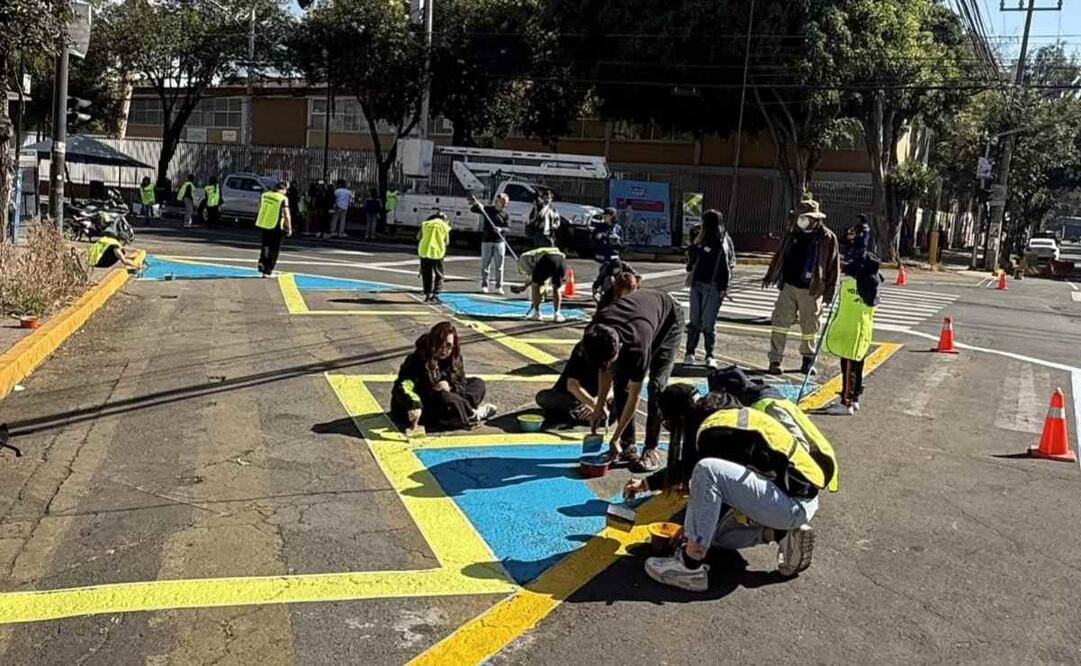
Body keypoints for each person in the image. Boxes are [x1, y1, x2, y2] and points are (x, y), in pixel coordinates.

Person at [624, 384, 837, 591]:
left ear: (681, 417)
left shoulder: (714, 432)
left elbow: (700, 474)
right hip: (795, 500)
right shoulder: (727, 415)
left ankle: (690, 566)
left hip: (789, 504)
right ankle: (781, 535)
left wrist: (691, 536)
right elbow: (697, 475)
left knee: (706, 471)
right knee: (715, 536)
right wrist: (647, 485)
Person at [581, 289, 683, 472]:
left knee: (656, 387)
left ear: (619, 347)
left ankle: (651, 448)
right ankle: (628, 446)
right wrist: (599, 407)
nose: (608, 366)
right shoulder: (595, 331)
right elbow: (604, 369)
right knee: (620, 382)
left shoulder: (637, 344)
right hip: (646, 313)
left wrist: (615, 436)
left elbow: (634, 395)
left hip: (670, 320)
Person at [762, 197, 839, 376]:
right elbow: (780, 255)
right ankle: (775, 360)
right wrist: (770, 275)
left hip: (812, 289)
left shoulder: (827, 238)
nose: (800, 220)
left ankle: (808, 361)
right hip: (789, 285)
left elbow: (833, 266)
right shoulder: (792, 234)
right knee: (780, 323)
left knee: (810, 327)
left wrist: (829, 292)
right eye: (799, 216)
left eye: (804, 217)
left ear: (815, 219)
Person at [821, 219, 882, 415]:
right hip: (862, 328)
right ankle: (853, 397)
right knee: (857, 363)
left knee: (848, 365)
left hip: (851, 327)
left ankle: (846, 402)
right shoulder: (873, 283)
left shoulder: (855, 282)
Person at [391, 321, 498, 432]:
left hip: (448, 396)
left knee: (477, 384)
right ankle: (472, 415)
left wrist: (450, 387)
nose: (444, 350)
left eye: (448, 346)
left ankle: (464, 411)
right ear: (433, 343)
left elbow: (461, 383)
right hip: (424, 402)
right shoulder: (417, 359)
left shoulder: (455, 359)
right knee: (446, 399)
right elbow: (404, 386)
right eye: (440, 345)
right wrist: (414, 404)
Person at [684, 209, 736, 368]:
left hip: (713, 287)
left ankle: (710, 354)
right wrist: (695, 244)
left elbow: (728, 265)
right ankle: (690, 352)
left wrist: (723, 288)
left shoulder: (724, 241)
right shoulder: (700, 238)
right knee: (694, 320)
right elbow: (690, 263)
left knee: (708, 322)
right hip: (697, 284)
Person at [535, 341, 610, 425]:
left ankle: (583, 415)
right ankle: (584, 415)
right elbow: (572, 385)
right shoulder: (582, 349)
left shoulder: (614, 352)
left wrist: (599, 402)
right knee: (543, 397)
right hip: (576, 397)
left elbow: (614, 386)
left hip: (601, 399)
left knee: (616, 406)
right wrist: (592, 403)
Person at [513, 246, 567, 322]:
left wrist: (524, 288)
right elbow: (543, 279)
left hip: (546, 259)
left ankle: (537, 313)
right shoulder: (534, 253)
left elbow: (533, 279)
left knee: (535, 286)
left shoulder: (523, 259)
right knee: (556, 287)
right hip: (561, 260)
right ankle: (557, 314)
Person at [472, 193, 510, 294]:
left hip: (499, 242)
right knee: (485, 264)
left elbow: (508, 228)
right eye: (503, 202)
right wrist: (477, 205)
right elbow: (474, 209)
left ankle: (499, 286)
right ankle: (485, 285)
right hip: (487, 241)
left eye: (506, 203)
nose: (504, 205)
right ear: (498, 201)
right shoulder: (488, 210)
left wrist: (501, 229)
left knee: (499, 266)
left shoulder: (505, 214)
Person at [255, 180, 292, 277]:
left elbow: (259, 207)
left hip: (264, 222)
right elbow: (286, 214)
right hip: (276, 225)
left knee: (265, 245)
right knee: (275, 248)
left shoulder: (265, 195)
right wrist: (289, 227)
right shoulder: (283, 199)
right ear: (283, 189)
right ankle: (268, 269)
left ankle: (262, 263)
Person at [591, 207, 625, 300]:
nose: (605, 217)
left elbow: (622, 243)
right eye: (604, 216)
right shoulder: (600, 227)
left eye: (607, 216)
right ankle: (596, 289)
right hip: (602, 253)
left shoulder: (617, 228)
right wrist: (598, 237)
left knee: (616, 273)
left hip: (614, 254)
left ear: (612, 216)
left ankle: (616, 293)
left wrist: (616, 241)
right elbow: (593, 238)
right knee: (603, 272)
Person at [418, 211, 451, 303]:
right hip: (437, 252)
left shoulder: (425, 224)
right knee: (439, 274)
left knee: (426, 273)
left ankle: (427, 294)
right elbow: (447, 241)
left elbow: (418, 237)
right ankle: (436, 294)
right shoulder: (444, 226)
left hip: (424, 251)